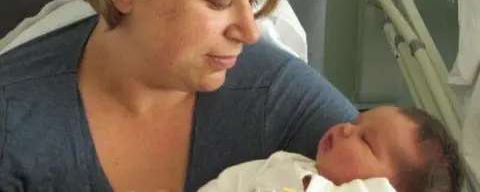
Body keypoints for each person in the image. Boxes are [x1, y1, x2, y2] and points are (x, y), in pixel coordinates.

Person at [0, 0, 359, 192]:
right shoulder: (15, 120)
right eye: (219, 2)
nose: (250, 33)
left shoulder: (277, 98)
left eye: (252, 1)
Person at [198, 107, 465, 192]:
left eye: (365, 141)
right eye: (356, 122)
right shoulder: (286, 163)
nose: (346, 129)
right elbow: (225, 185)